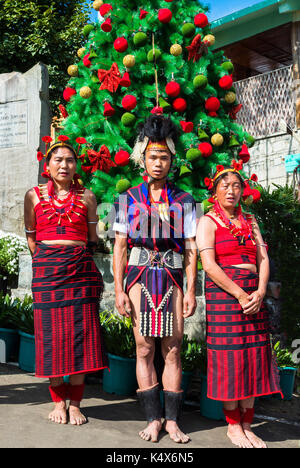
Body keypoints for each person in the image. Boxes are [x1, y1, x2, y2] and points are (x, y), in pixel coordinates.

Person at [112, 114, 197, 443]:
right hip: (138, 277)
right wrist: (119, 289)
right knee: (144, 348)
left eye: (164, 156)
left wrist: (191, 290)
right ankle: (153, 418)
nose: (158, 162)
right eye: (152, 156)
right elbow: (120, 245)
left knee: (173, 349)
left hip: (173, 280)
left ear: (172, 160)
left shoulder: (185, 200)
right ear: (142, 158)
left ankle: (173, 421)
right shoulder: (126, 199)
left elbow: (191, 247)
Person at [196, 162, 283, 448]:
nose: (231, 191)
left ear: (242, 191)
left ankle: (248, 423)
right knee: (231, 359)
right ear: (215, 192)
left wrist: (259, 291)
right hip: (226, 295)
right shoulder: (208, 221)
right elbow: (208, 265)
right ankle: (233, 426)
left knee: (253, 356)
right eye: (225, 186)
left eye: (236, 186)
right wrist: (240, 294)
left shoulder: (251, 220)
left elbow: (263, 259)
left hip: (252, 294)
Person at [24, 135, 107, 425]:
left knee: (80, 336)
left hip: (80, 272)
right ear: (47, 165)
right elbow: (31, 236)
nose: (64, 164)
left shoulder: (87, 197)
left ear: (76, 167)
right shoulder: (34, 195)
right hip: (48, 273)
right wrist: (48, 260)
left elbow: (93, 239)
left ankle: (75, 403)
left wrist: (75, 256)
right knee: (52, 336)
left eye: (69, 160)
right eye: (57, 159)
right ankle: (58, 401)